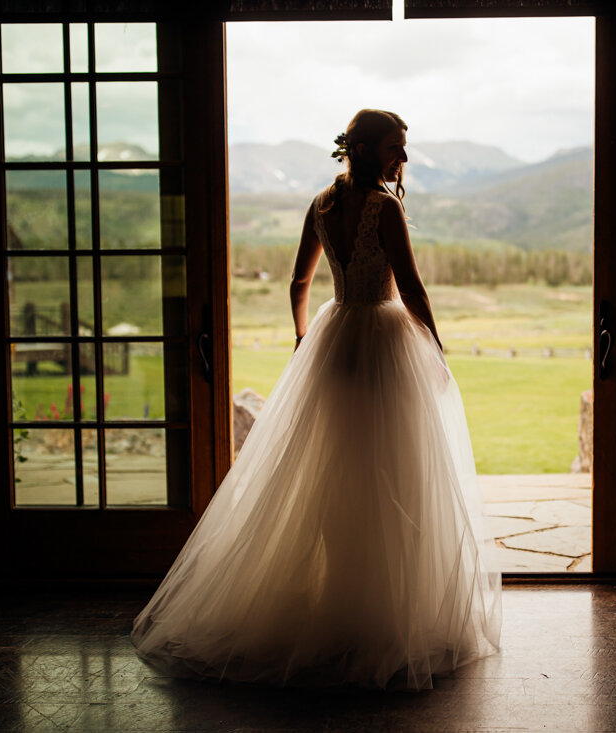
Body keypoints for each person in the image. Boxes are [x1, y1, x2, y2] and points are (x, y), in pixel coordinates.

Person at [131, 109, 501, 690]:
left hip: (335, 342)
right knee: (393, 480)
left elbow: (298, 284)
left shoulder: (321, 205)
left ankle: (342, 604)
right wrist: (436, 350)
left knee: (335, 478)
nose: (401, 155)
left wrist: (306, 339)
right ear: (367, 149)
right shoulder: (386, 207)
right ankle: (383, 615)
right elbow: (410, 287)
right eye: (394, 146)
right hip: (384, 346)